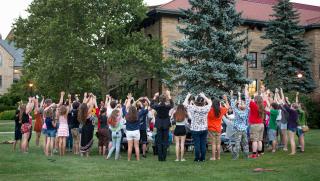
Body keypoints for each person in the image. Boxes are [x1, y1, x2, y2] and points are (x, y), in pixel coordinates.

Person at [183, 92, 212, 162]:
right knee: (203, 143)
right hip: (204, 128)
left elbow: (184, 104)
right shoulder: (206, 108)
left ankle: (197, 158)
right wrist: (204, 96)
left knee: (197, 144)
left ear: (196, 102)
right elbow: (210, 102)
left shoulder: (193, 108)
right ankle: (203, 158)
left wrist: (188, 96)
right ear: (203, 102)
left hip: (195, 129)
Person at [151, 91, 174, 161]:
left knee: (159, 141)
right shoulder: (167, 107)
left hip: (159, 124)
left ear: (160, 100)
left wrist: (155, 97)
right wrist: (169, 95)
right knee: (165, 141)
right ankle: (164, 157)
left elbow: (151, 105)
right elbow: (172, 104)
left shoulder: (157, 106)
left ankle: (160, 157)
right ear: (165, 100)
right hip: (166, 124)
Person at [230, 86, 250, 160]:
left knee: (237, 143)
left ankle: (236, 156)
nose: (241, 104)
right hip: (244, 129)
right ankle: (246, 156)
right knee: (245, 143)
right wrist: (246, 90)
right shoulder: (246, 110)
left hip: (238, 129)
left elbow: (232, 104)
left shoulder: (237, 111)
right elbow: (247, 100)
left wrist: (232, 95)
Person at [207, 95, 229, 161]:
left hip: (211, 129)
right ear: (219, 104)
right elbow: (227, 107)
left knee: (213, 143)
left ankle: (213, 157)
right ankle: (218, 157)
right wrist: (226, 99)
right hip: (218, 129)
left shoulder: (210, 110)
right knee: (218, 144)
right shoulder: (221, 110)